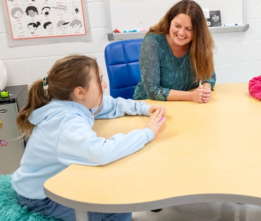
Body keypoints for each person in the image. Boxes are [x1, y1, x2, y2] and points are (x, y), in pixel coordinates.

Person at [12, 55, 166, 221]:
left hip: (50, 183)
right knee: (118, 207)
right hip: (40, 198)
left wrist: (143, 108)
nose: (105, 85)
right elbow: (101, 153)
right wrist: (146, 133)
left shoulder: (72, 103)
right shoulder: (66, 123)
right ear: (80, 92)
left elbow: (109, 104)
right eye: (100, 80)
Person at [133, 0, 216, 103]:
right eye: (177, 26)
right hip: (149, 105)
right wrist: (191, 96)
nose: (181, 33)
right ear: (170, 20)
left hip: (184, 104)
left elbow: (209, 76)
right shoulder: (152, 41)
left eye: (189, 29)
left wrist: (205, 89)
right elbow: (153, 91)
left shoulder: (199, 43)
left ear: (198, 30)